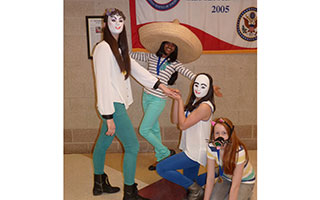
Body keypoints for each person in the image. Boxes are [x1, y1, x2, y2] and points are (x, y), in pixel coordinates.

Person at [91, 8, 175, 200]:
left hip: (115, 104)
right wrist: (108, 115)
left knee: (103, 142)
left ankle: (99, 183)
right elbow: (102, 83)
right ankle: (130, 192)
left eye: (121, 20)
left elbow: (136, 70)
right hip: (113, 105)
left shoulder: (118, 49)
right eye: (113, 20)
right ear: (105, 24)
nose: (117, 23)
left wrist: (162, 86)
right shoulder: (103, 48)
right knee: (132, 146)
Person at [131, 19, 222, 170]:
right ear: (163, 43)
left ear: (175, 49)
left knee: (144, 129)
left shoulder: (175, 64)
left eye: (173, 45)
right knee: (153, 129)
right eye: (168, 43)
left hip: (159, 99)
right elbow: (132, 56)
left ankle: (165, 152)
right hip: (146, 96)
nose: (170, 47)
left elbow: (192, 75)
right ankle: (161, 158)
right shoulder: (151, 56)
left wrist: (211, 86)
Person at [156, 73, 216, 200]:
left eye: (203, 86)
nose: (198, 89)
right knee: (189, 182)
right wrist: (177, 100)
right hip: (190, 148)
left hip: (196, 151)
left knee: (161, 168)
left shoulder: (205, 106)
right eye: (196, 85)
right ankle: (218, 174)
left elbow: (183, 126)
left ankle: (217, 175)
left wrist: (179, 100)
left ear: (209, 89)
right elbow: (175, 120)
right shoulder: (195, 102)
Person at [204, 117, 256, 200]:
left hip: (244, 180)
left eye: (224, 133)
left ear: (230, 135)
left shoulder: (238, 152)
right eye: (217, 133)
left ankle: (248, 193)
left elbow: (235, 186)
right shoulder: (211, 147)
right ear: (213, 135)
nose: (220, 136)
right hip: (226, 176)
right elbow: (210, 178)